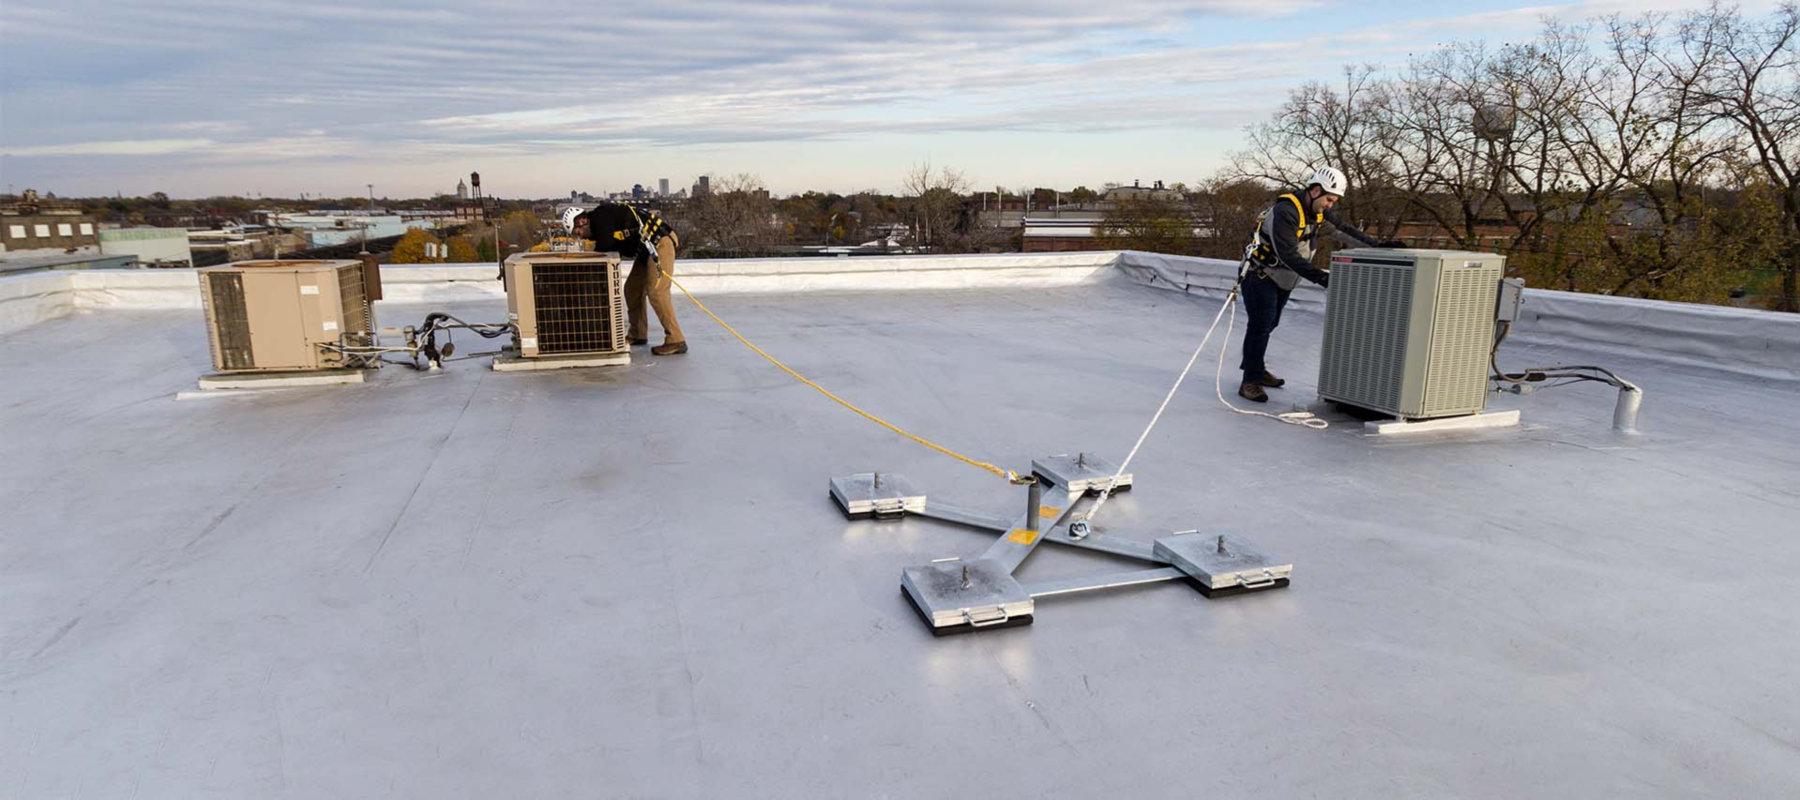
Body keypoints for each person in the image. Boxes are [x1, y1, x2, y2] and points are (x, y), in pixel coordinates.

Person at [1235, 166, 1402, 402]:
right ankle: (1250, 381)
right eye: (1329, 199)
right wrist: (1322, 278)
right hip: (1259, 274)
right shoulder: (1286, 211)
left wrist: (1378, 245)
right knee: (1261, 325)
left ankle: (1256, 368)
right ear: (1315, 191)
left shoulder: (1318, 213)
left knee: (1270, 323)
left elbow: (1343, 231)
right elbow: (1288, 255)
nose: (1330, 205)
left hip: (1282, 277)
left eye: (1334, 201)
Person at [568, 203, 687, 355]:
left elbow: (606, 246)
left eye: (576, 230)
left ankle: (676, 339)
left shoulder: (600, 216)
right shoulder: (600, 225)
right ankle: (638, 334)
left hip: (660, 243)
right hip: (646, 250)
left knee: (657, 292)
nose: (579, 235)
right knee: (632, 289)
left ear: (581, 220)